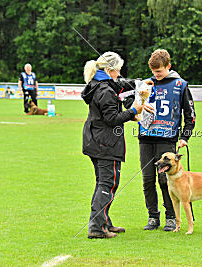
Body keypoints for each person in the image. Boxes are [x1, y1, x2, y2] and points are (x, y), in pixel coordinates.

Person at [81, 51, 145, 239]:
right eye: (117, 70)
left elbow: (122, 84)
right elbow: (112, 119)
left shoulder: (97, 85)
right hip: (106, 143)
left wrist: (140, 83)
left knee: (103, 182)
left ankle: (104, 222)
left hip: (95, 140)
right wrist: (134, 110)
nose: (119, 74)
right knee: (107, 184)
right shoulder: (105, 91)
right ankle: (96, 228)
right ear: (109, 70)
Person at [138, 49, 196, 231]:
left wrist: (185, 136)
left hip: (167, 138)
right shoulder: (145, 84)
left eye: (160, 72)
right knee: (148, 180)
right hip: (146, 137)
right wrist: (138, 102)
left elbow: (190, 115)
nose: (156, 75)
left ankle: (171, 217)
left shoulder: (180, 84)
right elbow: (132, 105)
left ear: (168, 67)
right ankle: (153, 217)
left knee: (164, 180)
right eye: (154, 72)